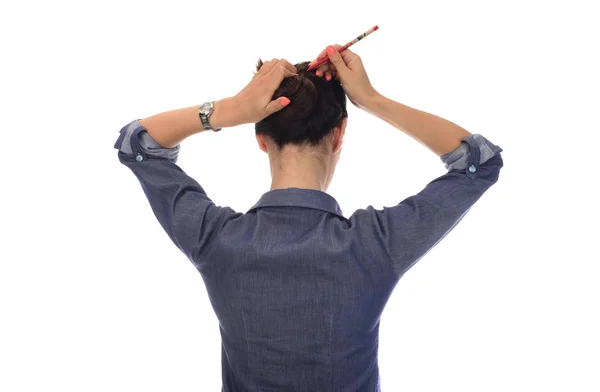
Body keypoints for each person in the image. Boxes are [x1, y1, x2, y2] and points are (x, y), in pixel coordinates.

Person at [114, 44, 503, 391]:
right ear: (339, 135)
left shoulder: (215, 240)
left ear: (261, 138)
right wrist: (371, 99)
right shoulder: (376, 244)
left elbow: (138, 145)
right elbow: (479, 163)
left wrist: (228, 111)